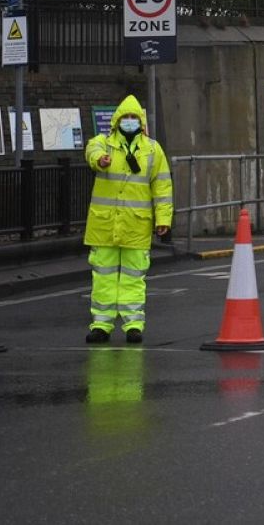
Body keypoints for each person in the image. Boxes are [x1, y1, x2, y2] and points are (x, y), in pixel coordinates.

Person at [83, 95, 171, 344]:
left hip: (136, 225)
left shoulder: (152, 150)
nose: (129, 121)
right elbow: (91, 151)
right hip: (105, 225)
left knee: (134, 277)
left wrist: (163, 218)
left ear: (141, 122)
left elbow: (162, 187)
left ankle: (133, 325)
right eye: (125, 118)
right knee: (103, 276)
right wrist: (100, 160)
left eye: (133, 117)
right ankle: (101, 325)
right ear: (116, 121)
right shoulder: (104, 144)